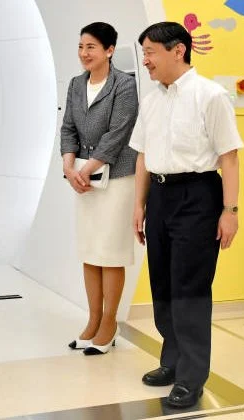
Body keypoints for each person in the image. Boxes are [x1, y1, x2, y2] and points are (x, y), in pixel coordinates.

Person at [129, 22, 244, 408]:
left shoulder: (210, 96)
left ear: (178, 51)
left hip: (198, 195)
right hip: (159, 195)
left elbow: (229, 157)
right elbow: (143, 156)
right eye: (143, 52)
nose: (145, 60)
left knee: (190, 287)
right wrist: (139, 204)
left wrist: (230, 210)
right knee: (162, 282)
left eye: (150, 52)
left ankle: (192, 376)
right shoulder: (152, 100)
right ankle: (172, 361)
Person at [61, 22, 139, 356]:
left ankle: (110, 323)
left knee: (111, 253)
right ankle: (92, 320)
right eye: (81, 46)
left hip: (117, 177)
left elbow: (119, 132)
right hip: (84, 180)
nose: (84, 53)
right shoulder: (76, 84)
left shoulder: (124, 84)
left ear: (109, 50)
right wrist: (68, 166)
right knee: (90, 251)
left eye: (91, 47)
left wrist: (88, 166)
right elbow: (67, 127)